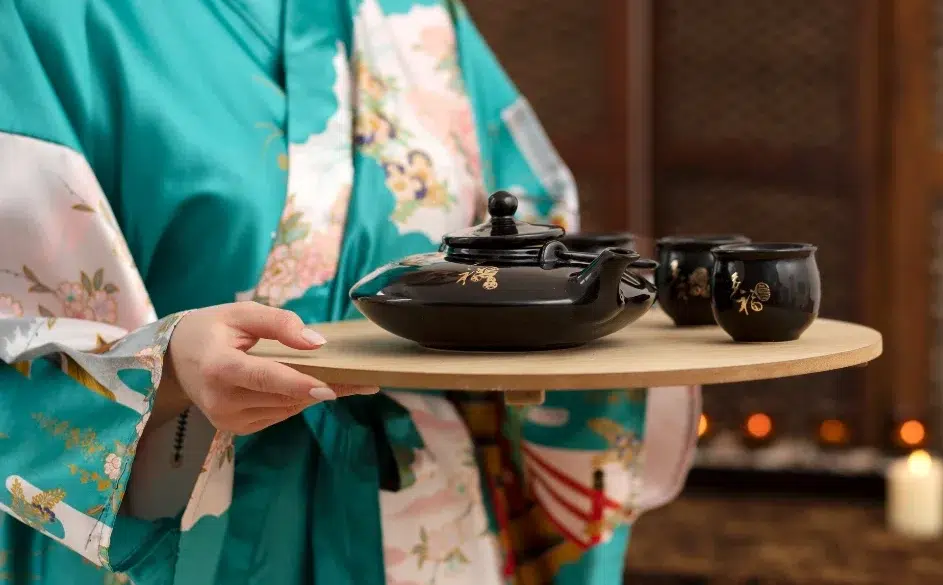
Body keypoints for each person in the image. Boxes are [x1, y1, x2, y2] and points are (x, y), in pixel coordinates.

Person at [0, 1, 702, 583]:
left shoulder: (418, 19)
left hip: (424, 523)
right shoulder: (44, 18)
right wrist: (168, 364)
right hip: (188, 530)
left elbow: (544, 244)